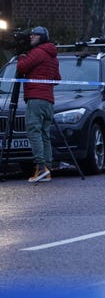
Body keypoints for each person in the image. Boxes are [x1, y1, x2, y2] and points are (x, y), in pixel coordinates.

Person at [16, 26, 61, 183]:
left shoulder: (37, 52)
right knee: (44, 134)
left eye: (35, 35)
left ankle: (40, 167)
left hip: (35, 98)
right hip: (48, 100)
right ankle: (46, 169)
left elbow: (22, 67)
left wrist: (21, 57)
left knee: (34, 131)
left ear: (41, 37)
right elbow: (57, 78)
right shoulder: (52, 56)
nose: (31, 37)